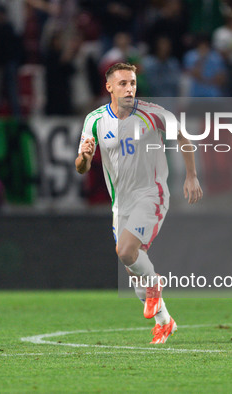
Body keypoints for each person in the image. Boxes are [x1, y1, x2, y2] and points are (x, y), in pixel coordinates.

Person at [75, 63, 203, 344]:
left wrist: (191, 176)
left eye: (132, 83)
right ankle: (165, 321)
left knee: (126, 250)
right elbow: (81, 167)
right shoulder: (94, 120)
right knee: (134, 275)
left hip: (151, 194)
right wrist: (84, 157)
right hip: (121, 204)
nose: (129, 88)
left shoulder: (153, 114)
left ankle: (156, 283)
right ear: (109, 87)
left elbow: (184, 137)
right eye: (122, 83)